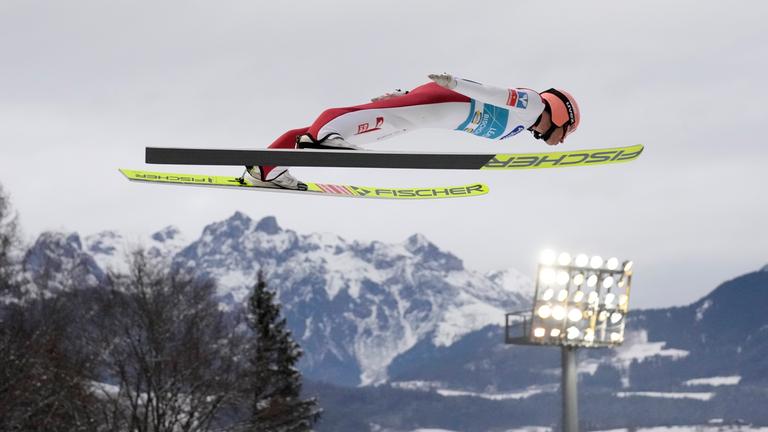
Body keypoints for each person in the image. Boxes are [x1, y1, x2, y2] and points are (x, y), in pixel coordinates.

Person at [242, 73, 580, 190]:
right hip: (443, 101)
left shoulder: (522, 123)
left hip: (431, 113)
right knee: (367, 118)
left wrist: (407, 96)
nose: (562, 138)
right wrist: (457, 82)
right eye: (567, 130)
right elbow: (495, 93)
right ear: (561, 113)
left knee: (371, 124)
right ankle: (326, 138)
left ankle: (265, 169)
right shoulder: (533, 104)